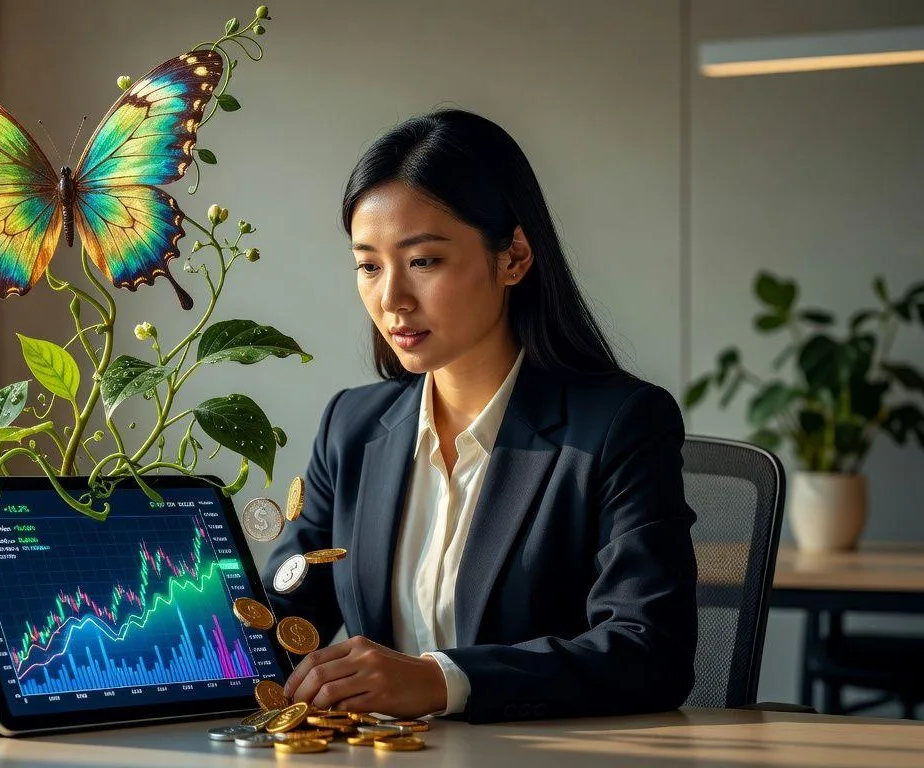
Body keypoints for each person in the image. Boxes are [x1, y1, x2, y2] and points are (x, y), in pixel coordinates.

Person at [263, 108, 697, 724]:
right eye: (368, 265)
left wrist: (442, 681)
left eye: (424, 261)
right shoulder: (352, 427)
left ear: (514, 257)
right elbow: (281, 618)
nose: (391, 299)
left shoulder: (620, 425)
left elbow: (650, 651)